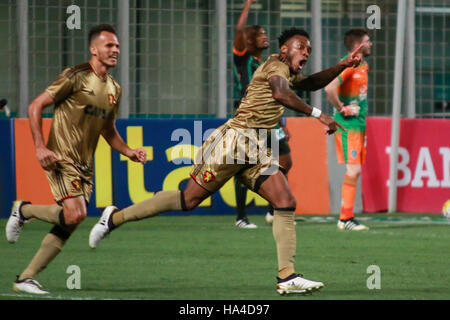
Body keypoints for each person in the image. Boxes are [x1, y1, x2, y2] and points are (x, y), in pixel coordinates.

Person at [89, 27, 364, 295]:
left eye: (309, 49)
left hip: (256, 146)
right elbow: (282, 94)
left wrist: (343, 64)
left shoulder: (286, 71)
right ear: (284, 50)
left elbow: (309, 83)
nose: (306, 51)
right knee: (189, 200)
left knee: (285, 201)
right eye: (301, 47)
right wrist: (319, 114)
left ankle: (287, 276)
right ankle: (115, 217)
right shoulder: (275, 68)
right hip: (234, 143)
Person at [5, 24, 147, 294]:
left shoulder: (115, 89)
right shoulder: (75, 76)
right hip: (60, 157)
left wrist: (129, 151)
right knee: (76, 213)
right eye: (109, 45)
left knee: (72, 220)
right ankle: (23, 212)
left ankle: (26, 275)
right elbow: (35, 106)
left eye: (117, 46)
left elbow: (107, 130)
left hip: (85, 164)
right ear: (94, 50)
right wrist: (39, 147)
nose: (115, 50)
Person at [232, 0, 292, 228]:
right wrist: (247, 4)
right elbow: (239, 30)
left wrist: (281, 121)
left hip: (270, 120)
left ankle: (272, 209)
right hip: (248, 119)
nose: (265, 37)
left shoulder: (267, 63)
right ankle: (241, 217)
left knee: (284, 160)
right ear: (249, 41)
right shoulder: (243, 58)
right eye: (260, 35)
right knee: (243, 165)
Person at [325, 28, 373, 231]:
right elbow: (329, 87)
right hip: (348, 126)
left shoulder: (363, 65)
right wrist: (341, 108)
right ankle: (345, 219)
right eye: (367, 41)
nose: (370, 44)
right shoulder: (349, 64)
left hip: (359, 124)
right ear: (357, 46)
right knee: (353, 170)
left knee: (355, 171)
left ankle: (346, 217)